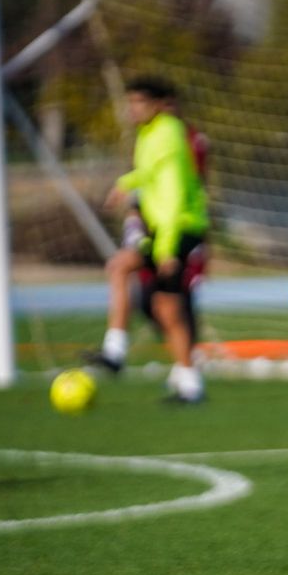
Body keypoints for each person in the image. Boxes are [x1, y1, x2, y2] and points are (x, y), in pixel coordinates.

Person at [83, 76, 210, 403]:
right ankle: (189, 383)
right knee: (165, 307)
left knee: (122, 267)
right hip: (165, 229)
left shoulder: (167, 133)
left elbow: (173, 194)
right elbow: (150, 172)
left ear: (158, 104)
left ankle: (116, 350)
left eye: (138, 102)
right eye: (130, 102)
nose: (132, 109)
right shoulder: (151, 132)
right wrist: (125, 184)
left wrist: (167, 249)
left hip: (177, 228)